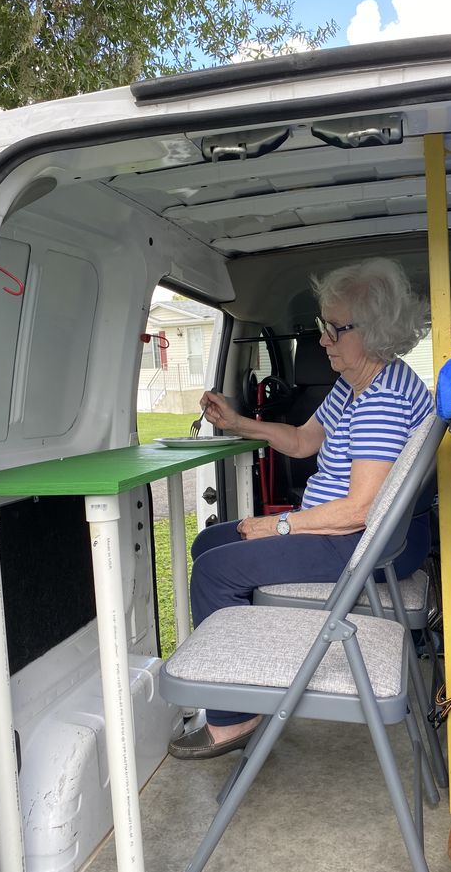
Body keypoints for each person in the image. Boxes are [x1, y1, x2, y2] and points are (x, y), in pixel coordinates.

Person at [168, 257, 434, 759]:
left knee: (215, 571)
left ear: (374, 330)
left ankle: (236, 714)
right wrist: (240, 423)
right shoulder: (358, 385)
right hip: (358, 532)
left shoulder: (381, 401)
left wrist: (277, 524)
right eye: (322, 327)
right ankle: (248, 672)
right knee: (211, 540)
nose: (324, 340)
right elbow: (301, 441)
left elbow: (359, 510)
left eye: (334, 329)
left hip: (363, 543)